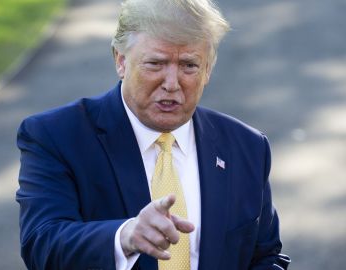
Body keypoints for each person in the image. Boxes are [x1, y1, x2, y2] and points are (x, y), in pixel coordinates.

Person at [16, 0, 290, 269]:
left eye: (189, 66)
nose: (171, 83)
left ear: (208, 70)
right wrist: (125, 236)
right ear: (121, 61)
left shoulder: (247, 147)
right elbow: (42, 246)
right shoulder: (55, 136)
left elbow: (266, 256)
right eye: (156, 64)